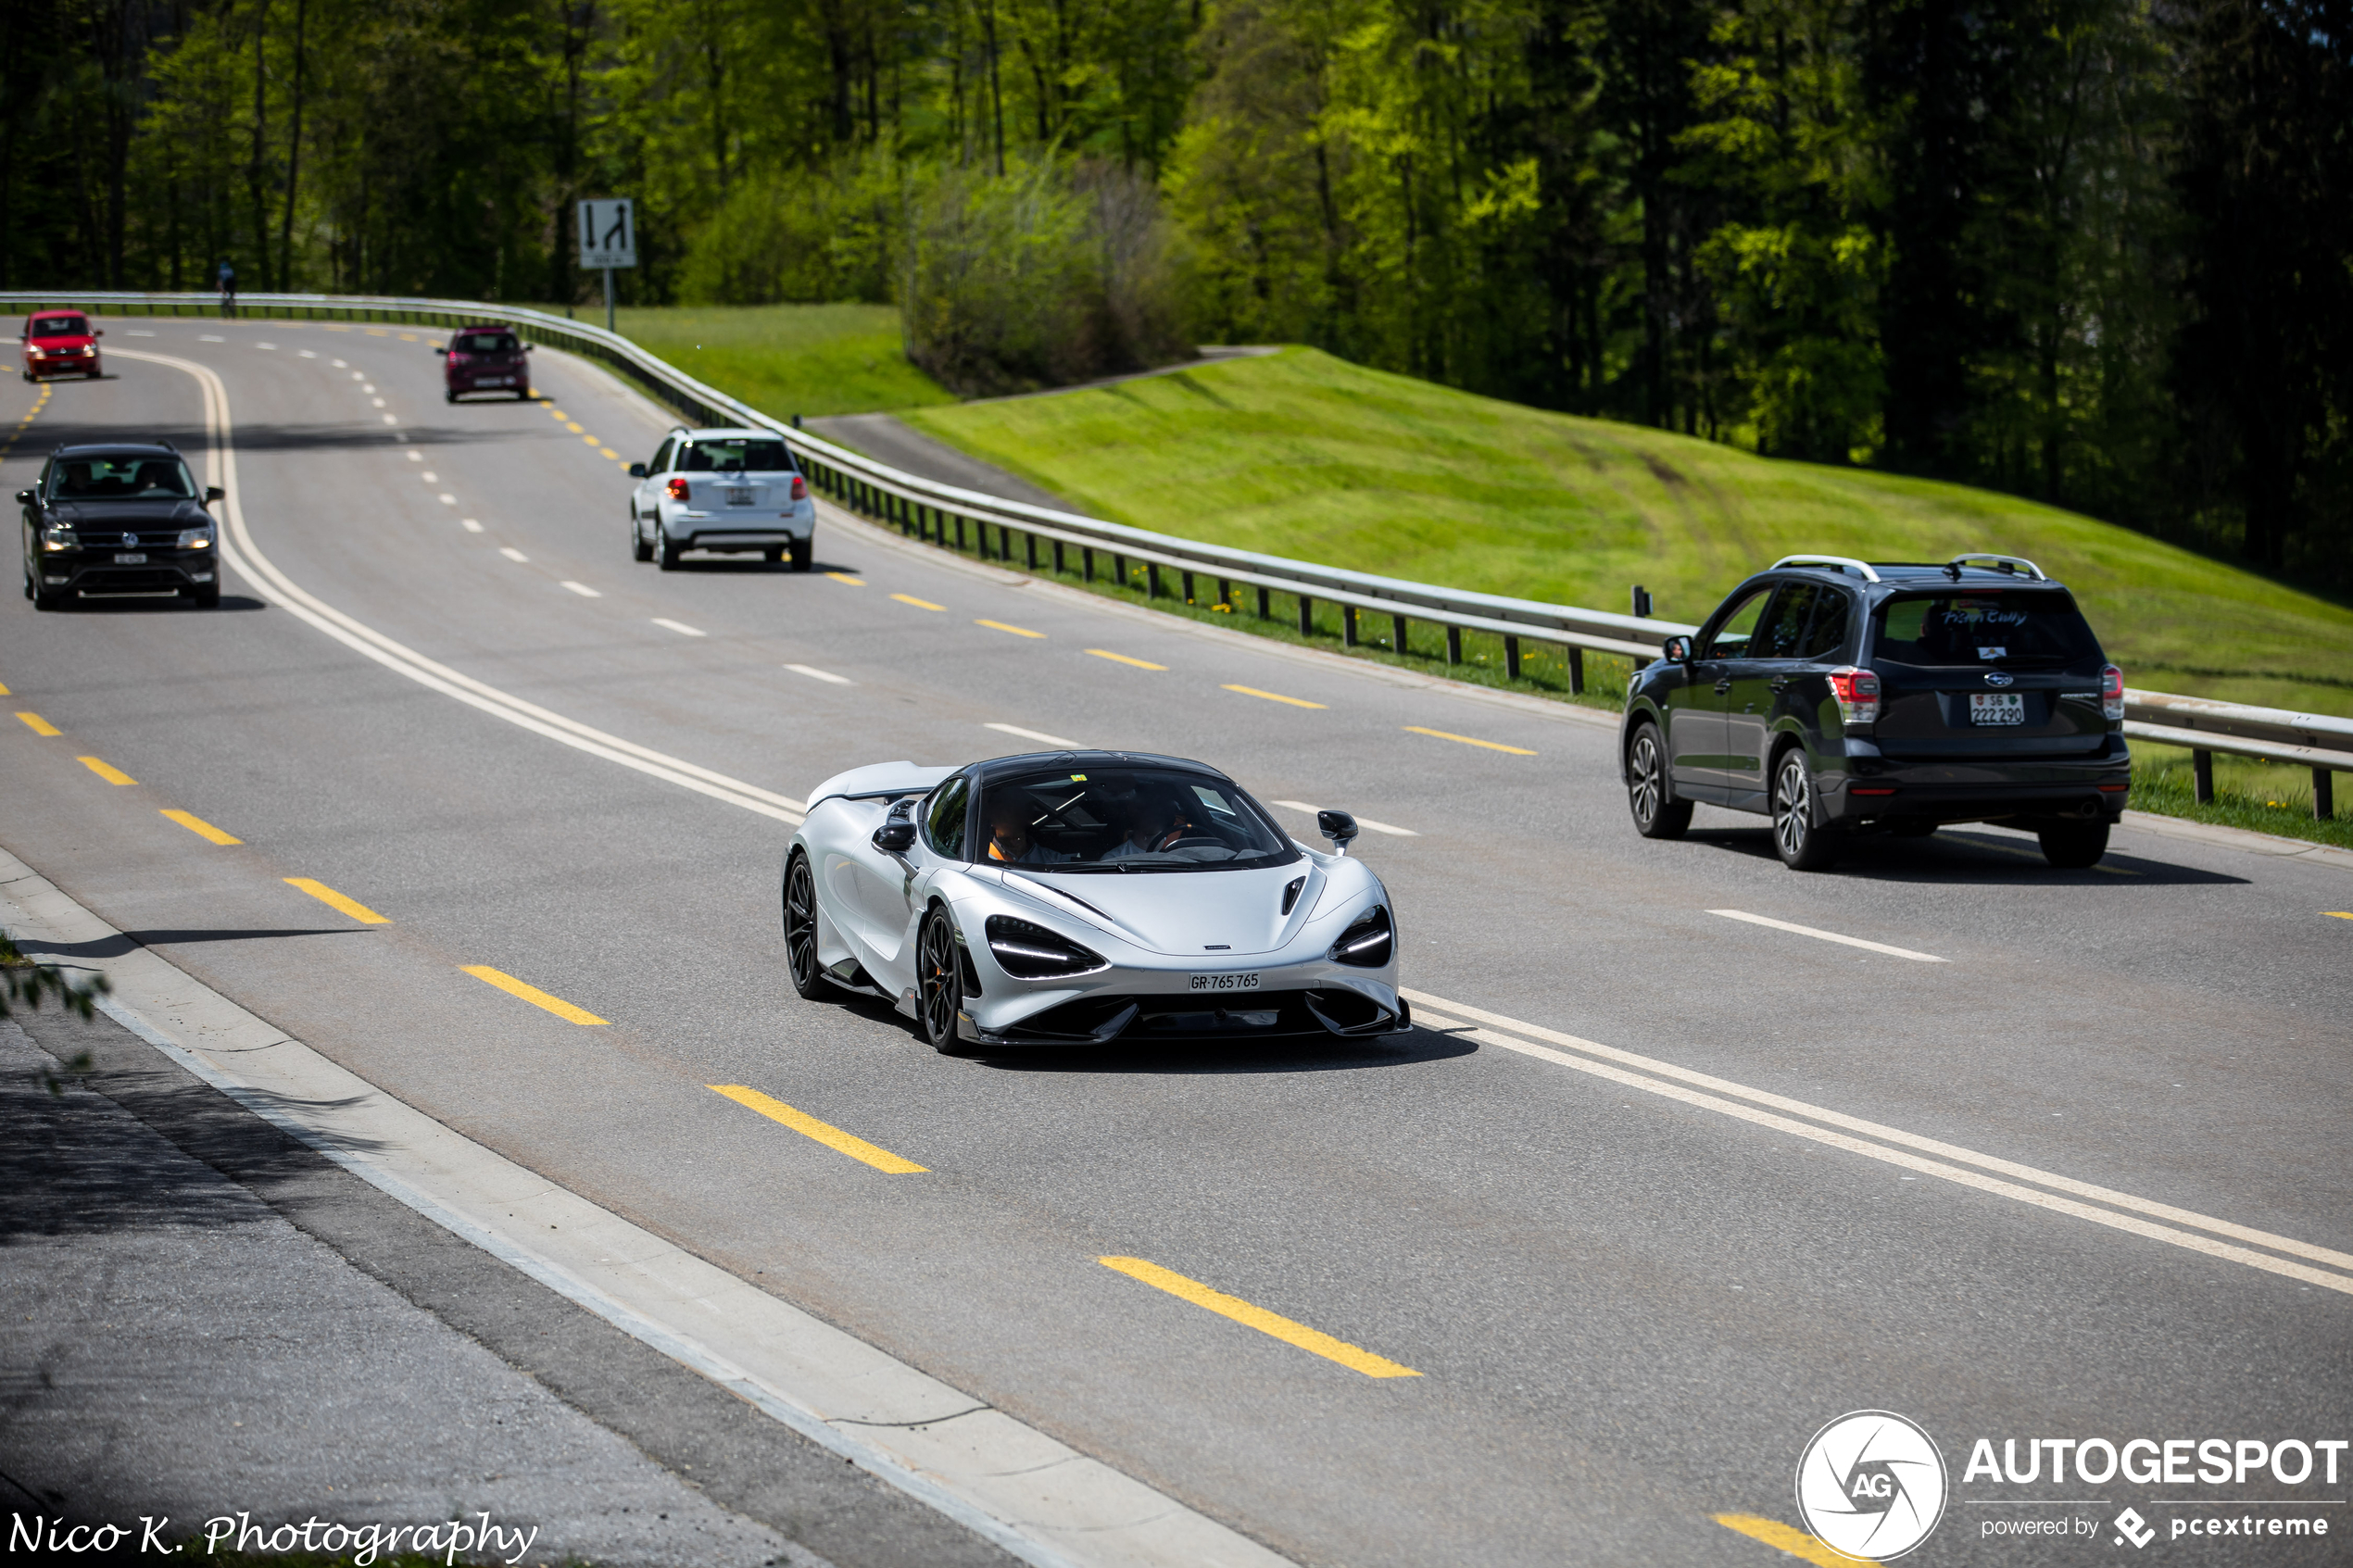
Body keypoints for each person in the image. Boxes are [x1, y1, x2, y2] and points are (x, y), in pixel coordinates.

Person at [1100, 788, 1188, 861]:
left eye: (1158, 809)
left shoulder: (1182, 855)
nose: (1152, 814)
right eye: (1146, 808)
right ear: (1132, 812)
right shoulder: (1113, 859)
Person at [985, 807, 1072, 866]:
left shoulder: (1051, 859)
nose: (1015, 822)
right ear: (993, 822)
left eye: (1018, 815)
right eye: (1006, 816)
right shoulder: (983, 857)